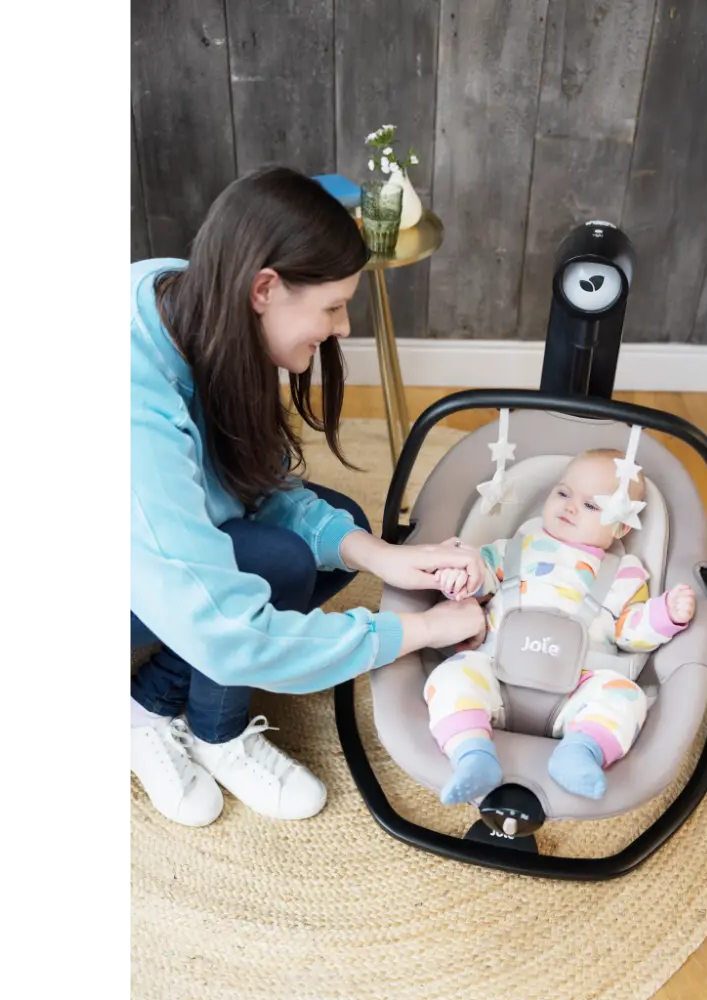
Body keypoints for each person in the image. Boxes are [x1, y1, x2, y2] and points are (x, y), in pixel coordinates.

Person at [124, 165, 486, 828]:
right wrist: (420, 631)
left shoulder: (192, 295)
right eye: (332, 306)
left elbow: (249, 483)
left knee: (340, 527)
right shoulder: (136, 411)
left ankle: (155, 703)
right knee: (281, 564)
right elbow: (230, 637)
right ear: (265, 288)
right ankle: (196, 728)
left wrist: (383, 557)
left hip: (149, 544)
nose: (343, 327)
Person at [423, 448, 697, 804]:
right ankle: (472, 754)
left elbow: (629, 633)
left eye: (591, 505)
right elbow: (479, 579)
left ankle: (581, 751)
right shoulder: (512, 549)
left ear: (622, 526)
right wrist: (460, 578)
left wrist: (665, 614)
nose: (570, 507)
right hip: (494, 670)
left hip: (577, 688)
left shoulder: (625, 574)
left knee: (626, 697)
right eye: (564, 493)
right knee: (451, 676)